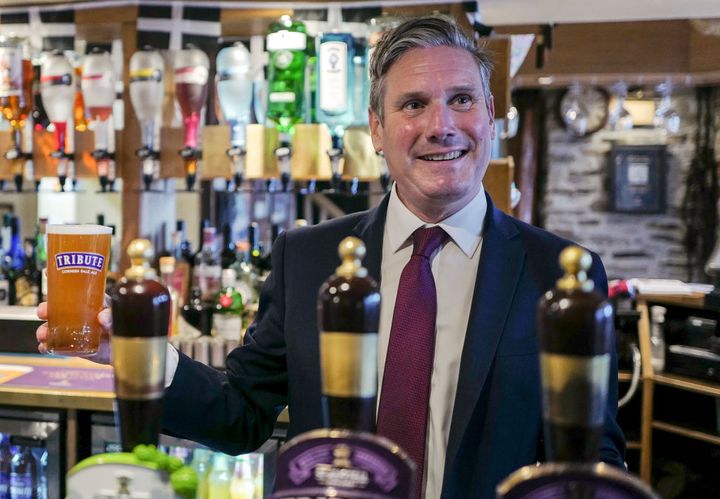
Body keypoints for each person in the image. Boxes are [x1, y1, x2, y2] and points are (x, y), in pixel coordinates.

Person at [37, 15, 625, 499]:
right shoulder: (306, 256)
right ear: (376, 127)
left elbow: (590, 452)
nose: (441, 125)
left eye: (463, 99)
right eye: (413, 104)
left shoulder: (562, 272)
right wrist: (135, 356)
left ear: (490, 119)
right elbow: (241, 413)